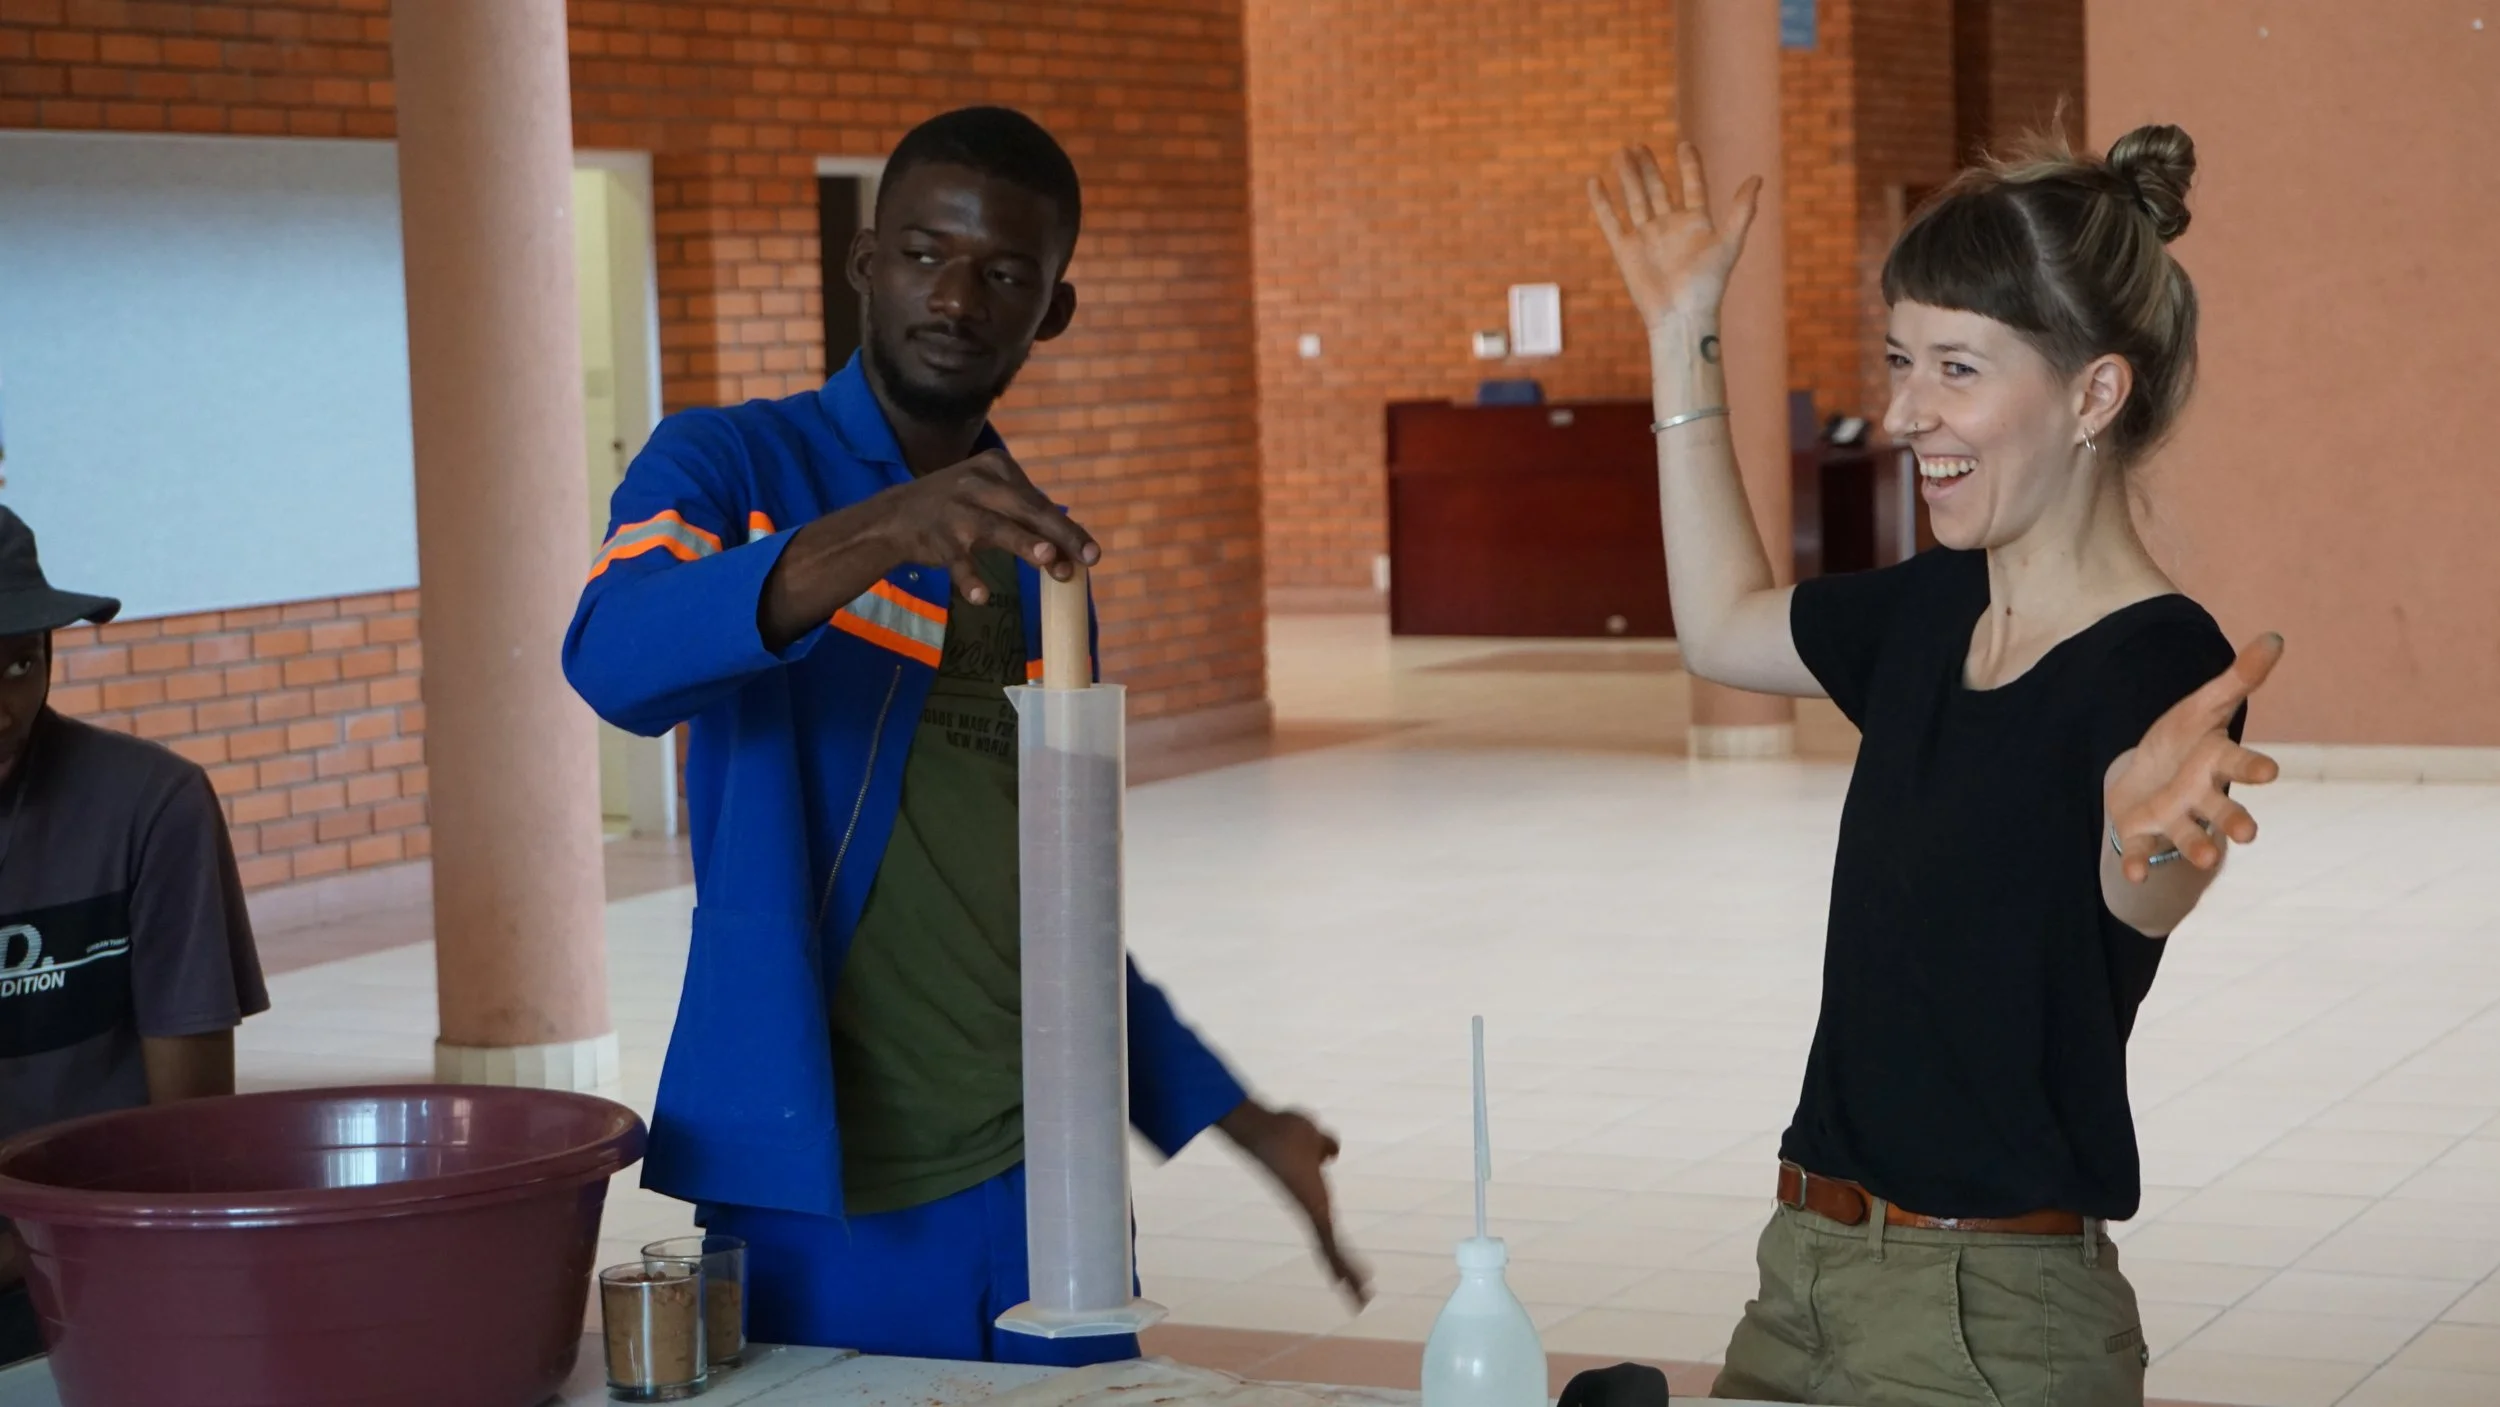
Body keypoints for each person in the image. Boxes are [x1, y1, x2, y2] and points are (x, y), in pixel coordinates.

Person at [563, 106, 1368, 1365]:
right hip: (819, 1175)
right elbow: (615, 657)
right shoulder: (724, 461)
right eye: (927, 254)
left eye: (1005, 273)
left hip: (1044, 1163)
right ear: (864, 263)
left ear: (1051, 310)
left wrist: (1234, 1116)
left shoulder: (1040, 558)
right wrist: (890, 525)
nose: (958, 296)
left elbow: (1042, 893)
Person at [1590, 125, 2282, 1405]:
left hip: (1993, 1323)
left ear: (2093, 395)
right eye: (1900, 361)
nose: (1906, 414)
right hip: (1803, 1269)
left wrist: (2140, 843)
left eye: (1956, 369)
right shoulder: (1928, 610)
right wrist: (1682, 327)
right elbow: (1720, 622)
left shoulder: (2158, 664)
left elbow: (2143, 892)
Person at [0, 506, 270, 1362]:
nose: (5, 705)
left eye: (20, 662)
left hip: (100, 1261)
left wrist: (40, 1243)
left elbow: (185, 1138)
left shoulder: (152, 806)